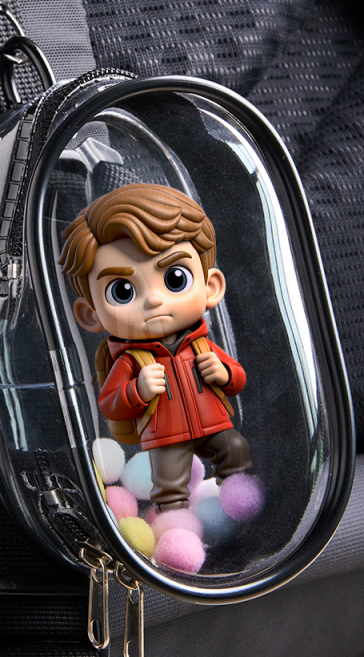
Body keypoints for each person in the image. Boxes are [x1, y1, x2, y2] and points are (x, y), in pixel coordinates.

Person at [58, 183, 252, 512]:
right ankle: (175, 524)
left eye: (176, 279)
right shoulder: (132, 360)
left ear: (211, 288)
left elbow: (237, 379)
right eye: (122, 291)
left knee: (236, 450)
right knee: (170, 488)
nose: (154, 300)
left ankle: (241, 509)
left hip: (213, 425)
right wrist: (138, 390)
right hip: (166, 437)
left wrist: (224, 373)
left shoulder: (201, 345)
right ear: (91, 315)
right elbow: (110, 404)